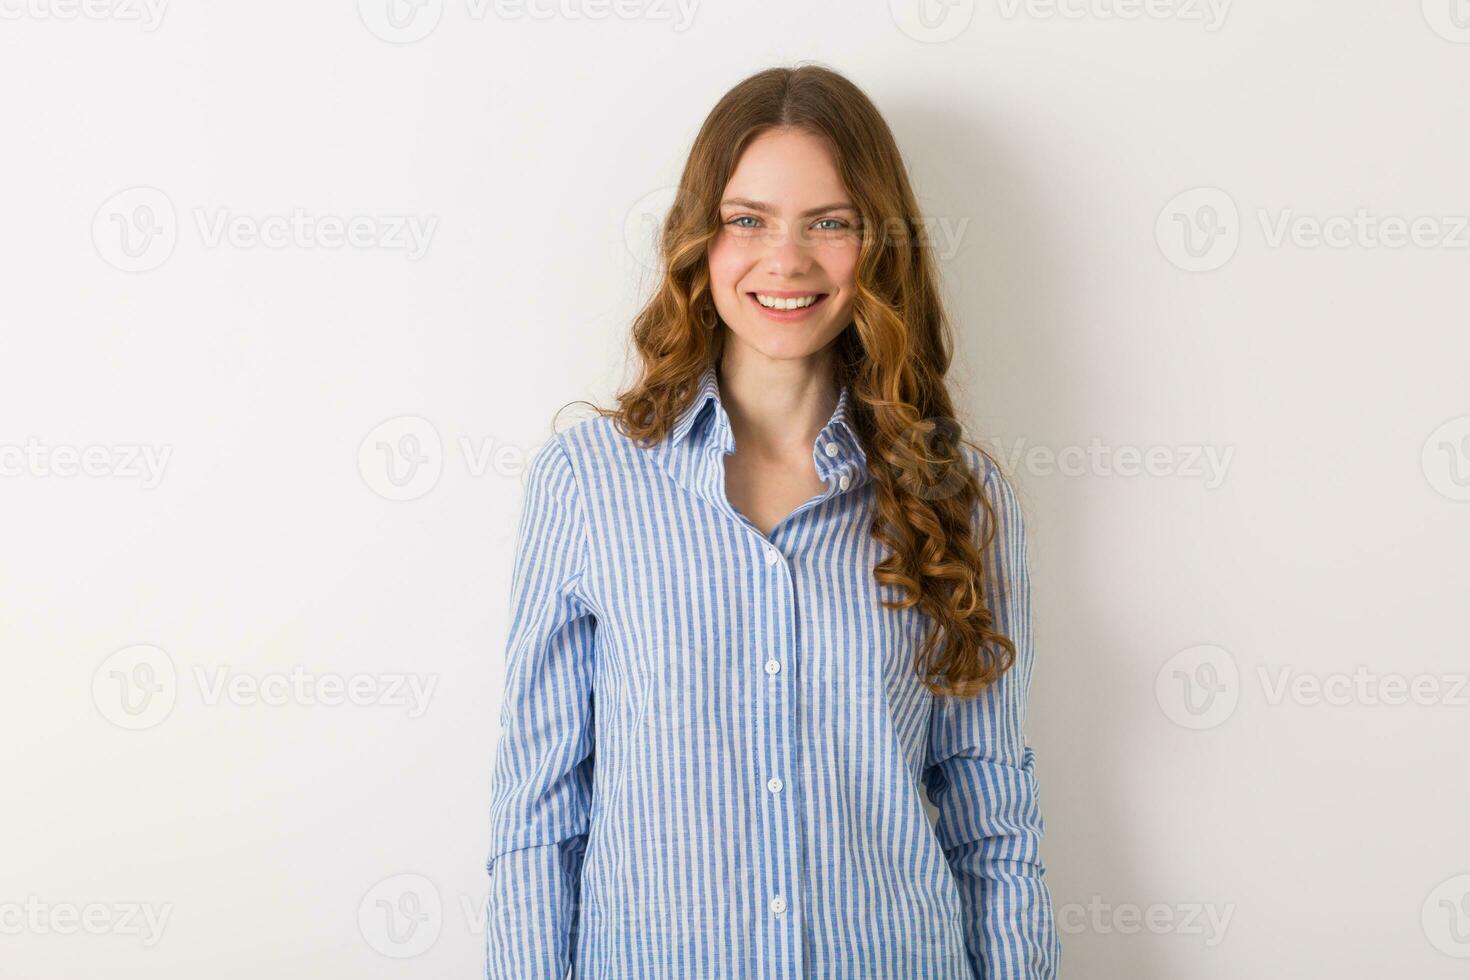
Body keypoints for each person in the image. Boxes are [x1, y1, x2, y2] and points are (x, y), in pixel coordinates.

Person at [484, 62, 1061, 979]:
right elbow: (537, 819)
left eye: (829, 222)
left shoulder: (959, 494)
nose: (785, 260)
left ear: (878, 246)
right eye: (746, 220)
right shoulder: (587, 485)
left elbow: (994, 824)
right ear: (698, 242)